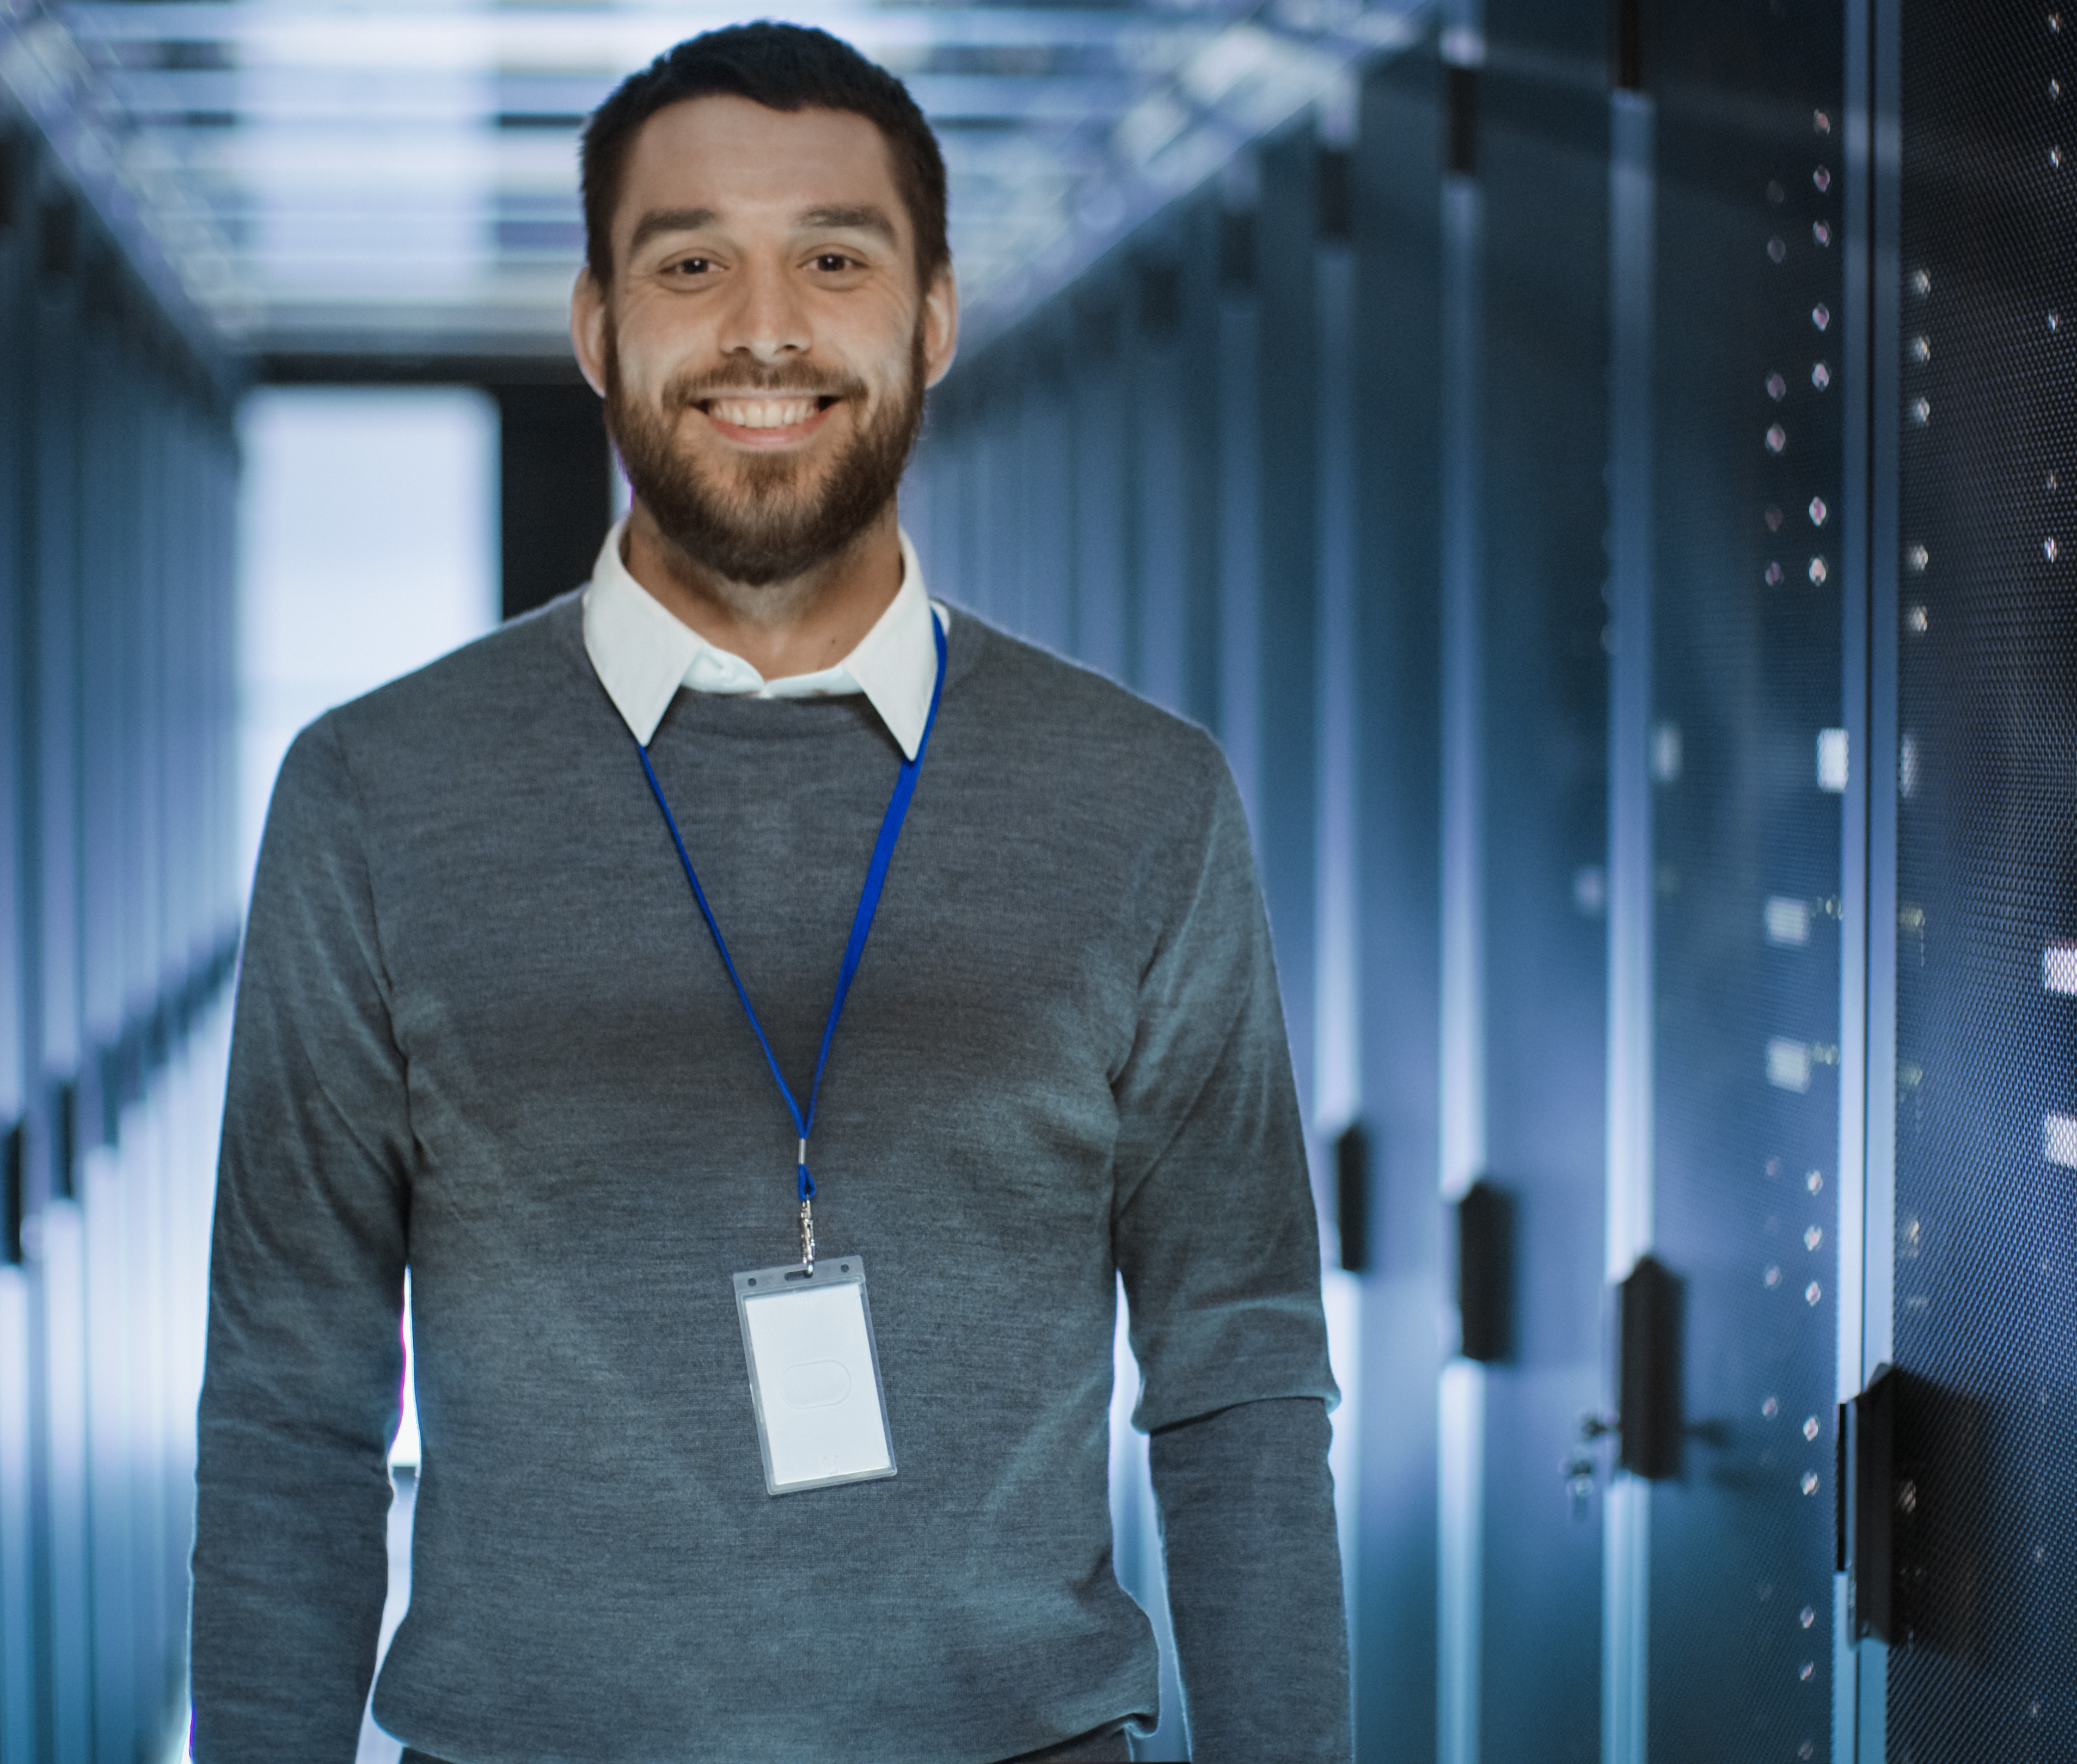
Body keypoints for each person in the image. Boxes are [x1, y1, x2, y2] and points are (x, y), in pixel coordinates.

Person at [188, 22, 1347, 1762]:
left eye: (832, 256)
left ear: (932, 315)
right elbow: (292, 1404)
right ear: (597, 326)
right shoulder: (375, 794)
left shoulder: (1143, 798)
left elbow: (1240, 1379)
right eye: (691, 262)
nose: (765, 328)